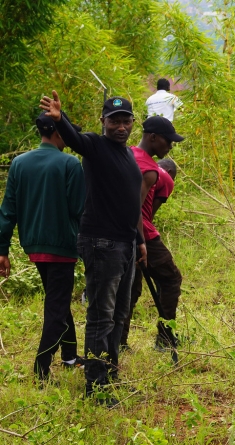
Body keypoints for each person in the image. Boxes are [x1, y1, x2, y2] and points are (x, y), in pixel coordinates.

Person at [39, 91, 148, 404]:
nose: (120, 126)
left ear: (132, 123)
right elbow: (75, 140)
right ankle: (96, 387)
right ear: (103, 122)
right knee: (102, 315)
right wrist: (62, 119)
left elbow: (130, 202)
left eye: (126, 120)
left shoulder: (125, 153)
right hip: (102, 243)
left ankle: (109, 375)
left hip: (125, 243)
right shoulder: (96, 146)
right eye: (114, 121)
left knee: (120, 314)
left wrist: (139, 240)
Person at [0, 113, 86, 382]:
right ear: (58, 132)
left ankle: (70, 355)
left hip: (33, 246)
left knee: (56, 299)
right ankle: (41, 368)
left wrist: (2, 250)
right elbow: (79, 209)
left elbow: (7, 210)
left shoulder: (19, 163)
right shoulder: (70, 163)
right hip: (62, 246)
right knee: (57, 308)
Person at [121, 122, 184, 355]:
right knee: (170, 279)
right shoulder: (153, 171)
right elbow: (143, 211)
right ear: (154, 138)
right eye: (168, 141)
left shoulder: (127, 153)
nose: (170, 146)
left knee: (130, 288)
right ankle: (165, 339)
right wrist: (141, 240)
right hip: (141, 233)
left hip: (121, 232)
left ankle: (120, 340)